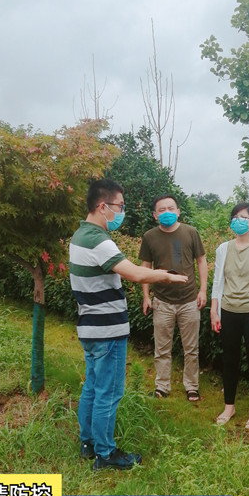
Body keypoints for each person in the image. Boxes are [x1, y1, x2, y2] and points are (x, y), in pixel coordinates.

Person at [69, 179, 187, 471]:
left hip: (90, 327)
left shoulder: (80, 235)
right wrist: (167, 276)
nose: (122, 212)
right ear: (103, 206)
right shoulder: (98, 239)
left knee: (93, 386)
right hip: (107, 329)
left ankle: (88, 443)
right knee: (108, 392)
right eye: (119, 206)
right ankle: (105, 454)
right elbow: (134, 273)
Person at [210, 203, 249, 430]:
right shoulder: (223, 249)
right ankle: (229, 406)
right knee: (230, 360)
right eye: (235, 216)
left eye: (244, 217)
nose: (238, 220)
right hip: (229, 310)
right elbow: (217, 281)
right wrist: (214, 310)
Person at [139, 194, 208, 401]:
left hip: (189, 300)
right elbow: (145, 268)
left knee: (191, 348)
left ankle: (192, 386)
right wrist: (146, 296)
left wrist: (203, 290)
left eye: (171, 208)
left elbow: (201, 261)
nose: (167, 212)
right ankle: (162, 386)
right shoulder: (149, 237)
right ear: (155, 215)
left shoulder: (190, 232)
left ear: (178, 211)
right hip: (162, 301)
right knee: (162, 348)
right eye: (162, 210)